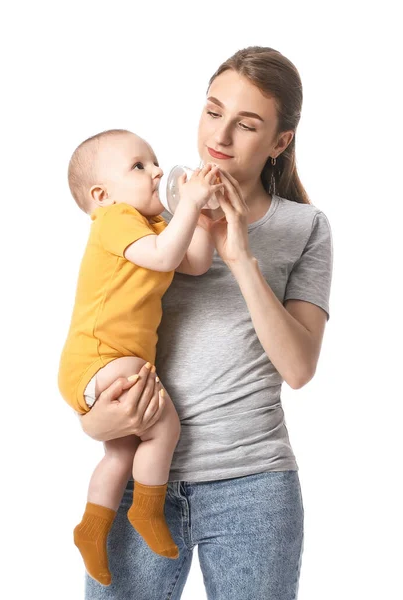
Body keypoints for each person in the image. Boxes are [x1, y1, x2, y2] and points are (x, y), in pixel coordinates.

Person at [78, 46, 333, 600]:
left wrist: (240, 258)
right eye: (213, 111)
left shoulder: (306, 227)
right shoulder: (147, 209)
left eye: (247, 125)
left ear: (279, 142)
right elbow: (97, 335)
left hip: (255, 488)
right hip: (139, 482)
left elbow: (298, 367)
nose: (220, 136)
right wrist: (93, 421)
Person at [58, 129, 225, 585]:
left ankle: (92, 529)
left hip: (103, 364)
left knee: (120, 453)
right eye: (139, 166)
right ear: (102, 194)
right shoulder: (113, 220)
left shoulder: (146, 224)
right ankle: (147, 511)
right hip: (104, 356)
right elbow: (166, 255)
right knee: (165, 426)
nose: (156, 171)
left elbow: (193, 261)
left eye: (155, 162)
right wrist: (187, 206)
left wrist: (205, 219)